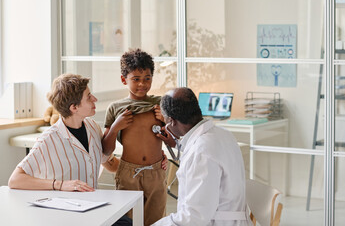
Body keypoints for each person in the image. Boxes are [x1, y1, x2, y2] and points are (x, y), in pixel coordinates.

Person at [8, 74, 131, 226]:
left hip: (92, 209)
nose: (95, 99)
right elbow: (14, 180)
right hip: (63, 216)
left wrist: (148, 164)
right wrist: (60, 185)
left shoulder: (92, 127)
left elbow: (110, 164)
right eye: (88, 97)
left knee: (127, 222)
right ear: (74, 107)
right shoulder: (48, 139)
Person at [152, 87, 252, 226]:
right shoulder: (223, 134)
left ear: (171, 121)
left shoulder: (200, 152)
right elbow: (205, 151)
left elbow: (193, 217)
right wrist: (177, 144)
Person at [102, 48, 168, 226]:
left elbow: (173, 138)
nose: (142, 84)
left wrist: (165, 120)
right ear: (124, 80)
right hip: (128, 174)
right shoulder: (116, 108)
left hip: (156, 172)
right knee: (128, 221)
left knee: (157, 221)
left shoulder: (160, 103)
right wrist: (116, 127)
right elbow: (105, 149)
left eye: (147, 78)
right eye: (136, 79)